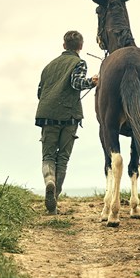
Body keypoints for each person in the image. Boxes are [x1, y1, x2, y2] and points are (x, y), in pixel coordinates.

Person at [35, 30, 98, 214]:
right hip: (69, 116)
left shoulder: (49, 66)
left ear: (64, 45)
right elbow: (76, 83)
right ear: (81, 46)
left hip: (46, 115)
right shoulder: (79, 63)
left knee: (48, 156)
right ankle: (54, 199)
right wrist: (92, 81)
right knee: (62, 158)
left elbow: (40, 93)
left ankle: (49, 182)